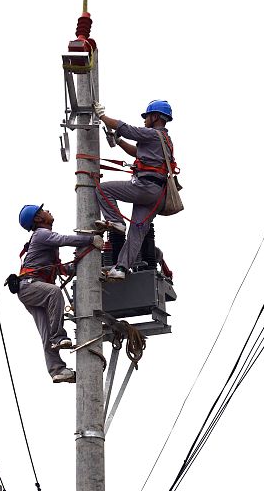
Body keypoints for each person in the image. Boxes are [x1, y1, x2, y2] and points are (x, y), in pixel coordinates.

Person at [15, 204, 102, 383]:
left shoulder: (43, 239)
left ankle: (57, 370)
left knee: (45, 330)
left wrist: (82, 268)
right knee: (54, 293)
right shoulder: (41, 234)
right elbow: (63, 239)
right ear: (38, 219)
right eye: (43, 211)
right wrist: (90, 239)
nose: (49, 212)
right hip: (30, 286)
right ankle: (59, 337)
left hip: (31, 289)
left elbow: (60, 268)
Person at [92, 99, 177, 280]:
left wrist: (102, 116)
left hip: (145, 187)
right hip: (156, 195)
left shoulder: (153, 134)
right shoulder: (165, 140)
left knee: (102, 189)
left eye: (147, 117)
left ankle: (115, 221)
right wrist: (118, 141)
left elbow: (126, 128)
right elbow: (137, 153)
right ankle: (121, 268)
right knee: (137, 231)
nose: (144, 120)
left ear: (155, 117)